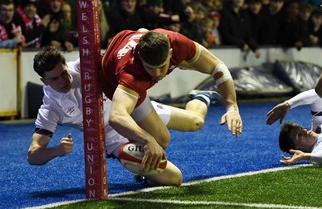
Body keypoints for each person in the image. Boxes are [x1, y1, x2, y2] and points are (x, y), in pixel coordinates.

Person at [27, 46, 223, 186]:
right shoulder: (50, 108)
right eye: (54, 78)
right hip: (113, 139)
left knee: (196, 122)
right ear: (43, 80)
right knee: (174, 179)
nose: (63, 80)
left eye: (64, 73)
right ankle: (144, 173)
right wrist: (57, 150)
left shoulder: (83, 66)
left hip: (131, 111)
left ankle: (200, 98)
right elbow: (33, 155)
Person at [101, 28, 243, 172]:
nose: (157, 74)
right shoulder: (131, 75)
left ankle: (201, 97)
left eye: (162, 67)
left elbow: (218, 67)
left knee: (195, 122)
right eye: (150, 68)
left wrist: (232, 107)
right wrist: (147, 140)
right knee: (161, 140)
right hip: (118, 88)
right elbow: (117, 117)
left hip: (130, 49)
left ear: (170, 52)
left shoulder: (177, 42)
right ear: (139, 56)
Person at [266, 89, 322, 165]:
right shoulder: (319, 150)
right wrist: (305, 156)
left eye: (301, 128)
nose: (305, 130)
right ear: (296, 148)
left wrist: (288, 104)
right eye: (299, 135)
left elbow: (317, 95)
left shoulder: (319, 125)